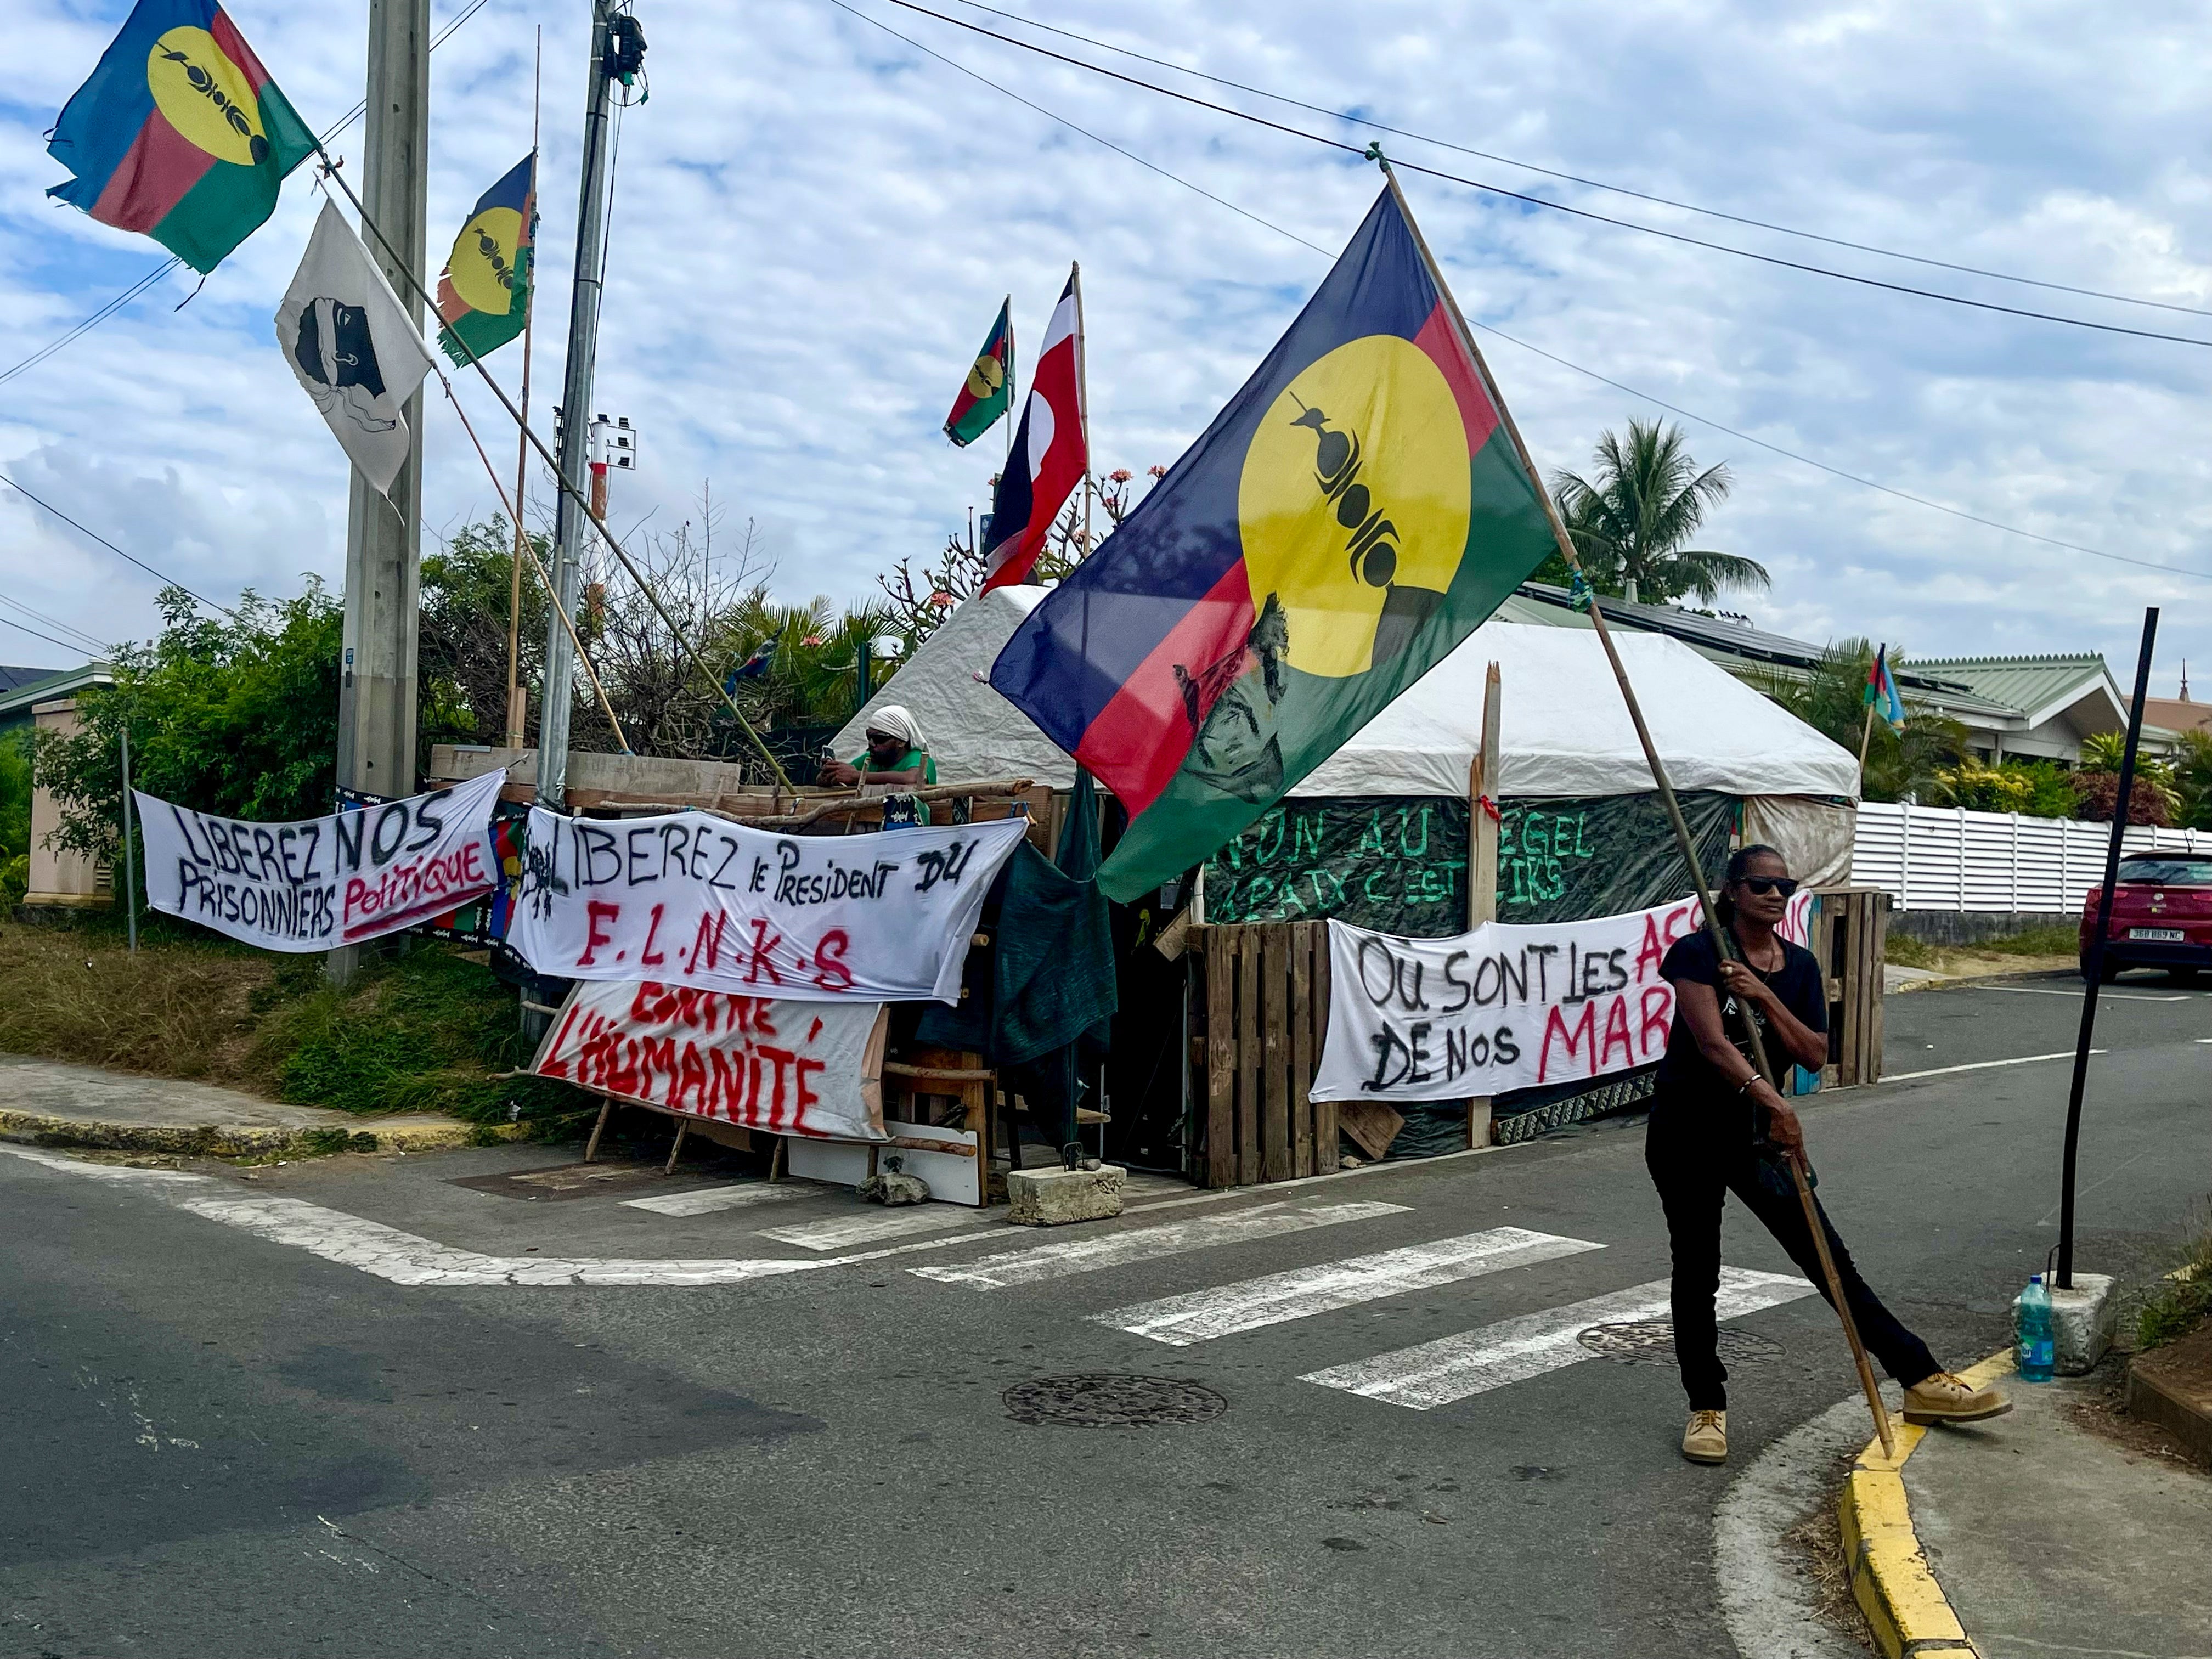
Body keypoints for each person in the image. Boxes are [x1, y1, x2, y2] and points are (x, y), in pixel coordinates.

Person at [1648, 844, 2009, 1465]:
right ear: (1733, 890)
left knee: (1828, 1258)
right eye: (1760, 884)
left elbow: (1814, 1053)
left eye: (1784, 886)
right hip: (1689, 1131)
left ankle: (1920, 1380)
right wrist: (1774, 1100)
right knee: (1697, 1267)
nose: (1774, 895)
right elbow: (1710, 1044)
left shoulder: (1800, 967)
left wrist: (1762, 997)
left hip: (1760, 1137)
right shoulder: (1699, 953)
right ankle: (1706, 1407)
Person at [818, 705, 939, 821]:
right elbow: (842, 776)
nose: (871, 743)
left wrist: (858, 777)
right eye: (869, 737)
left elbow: (913, 778)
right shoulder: (871, 759)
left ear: (901, 742)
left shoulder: (919, 758)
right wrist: (828, 774)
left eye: (879, 739)